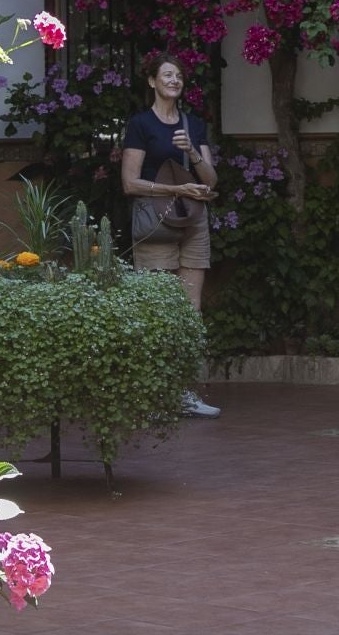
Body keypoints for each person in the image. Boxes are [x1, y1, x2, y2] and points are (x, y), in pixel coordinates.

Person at [121, 52, 223, 418]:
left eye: (178, 75)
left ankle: (185, 393)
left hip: (192, 220)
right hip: (155, 221)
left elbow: (211, 180)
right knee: (156, 310)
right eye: (167, 75)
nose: (174, 80)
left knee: (190, 311)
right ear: (152, 81)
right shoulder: (140, 124)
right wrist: (175, 190)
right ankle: (154, 397)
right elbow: (130, 183)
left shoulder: (193, 125)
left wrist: (191, 151)